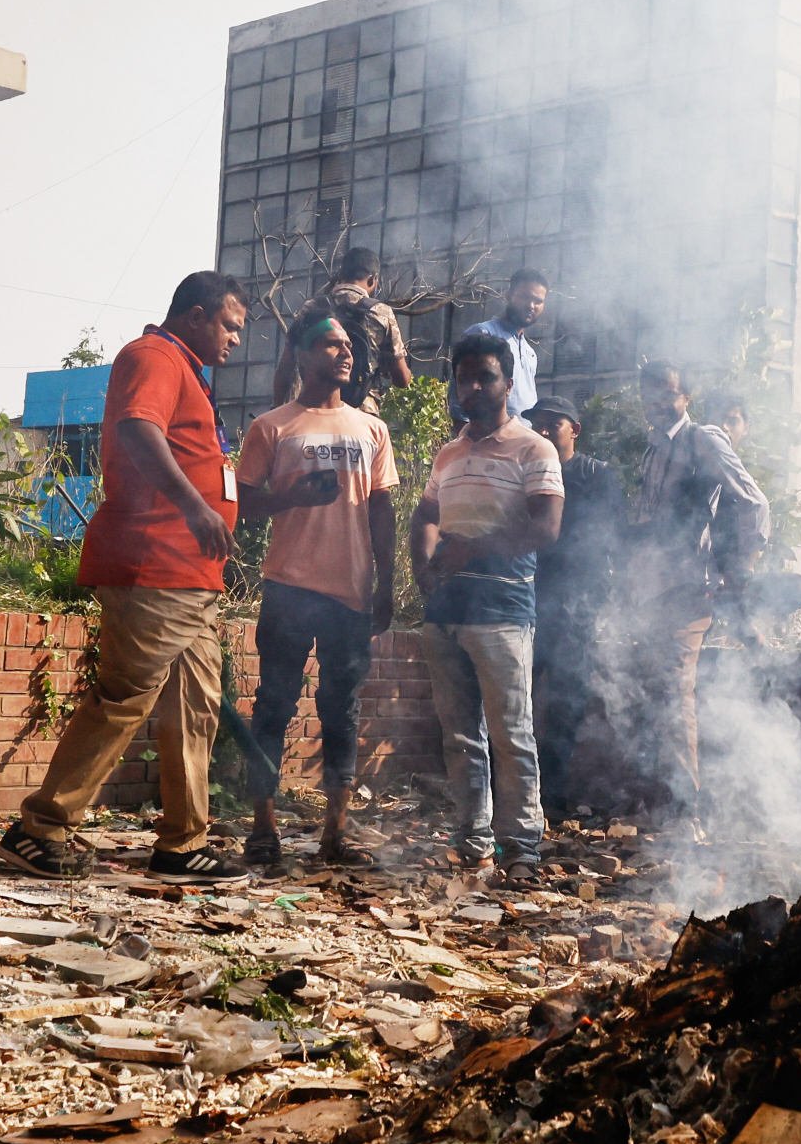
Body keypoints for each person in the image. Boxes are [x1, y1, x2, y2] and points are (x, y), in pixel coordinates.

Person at [2, 273, 253, 881]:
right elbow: (138, 431)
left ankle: (182, 844)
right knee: (125, 698)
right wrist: (195, 507)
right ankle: (39, 828)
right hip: (156, 562)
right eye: (229, 325)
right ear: (195, 315)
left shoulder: (189, 370)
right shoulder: (155, 355)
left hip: (191, 575)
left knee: (195, 705)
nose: (235, 340)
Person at [233, 308, 396, 871]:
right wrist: (293, 497)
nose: (344, 352)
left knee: (341, 712)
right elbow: (244, 505)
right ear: (300, 356)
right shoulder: (272, 426)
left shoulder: (371, 428)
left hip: (350, 593)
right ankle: (263, 829)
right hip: (288, 589)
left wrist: (387, 580)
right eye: (329, 344)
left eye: (347, 345)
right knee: (273, 707)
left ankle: (336, 832)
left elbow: (382, 508)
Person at [414, 332, 564, 875]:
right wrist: (423, 573)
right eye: (465, 377)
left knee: (511, 735)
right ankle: (473, 842)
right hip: (445, 614)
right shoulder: (449, 453)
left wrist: (470, 549)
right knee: (459, 737)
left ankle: (521, 848)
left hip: (502, 613)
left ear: (507, 383)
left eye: (487, 377)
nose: (474, 387)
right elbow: (425, 515)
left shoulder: (533, 448)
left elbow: (546, 528)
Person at [628, 361, 766, 816]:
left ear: (686, 396)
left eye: (668, 393)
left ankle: (686, 816)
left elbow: (753, 502)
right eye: (650, 393)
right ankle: (662, 808)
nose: (657, 402)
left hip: (688, 589)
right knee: (655, 696)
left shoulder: (702, 439)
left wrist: (739, 569)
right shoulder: (651, 450)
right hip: (650, 590)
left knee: (674, 696)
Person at [526, 402, 627, 822]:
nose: (545, 432)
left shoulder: (596, 475)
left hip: (576, 601)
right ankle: (512, 790)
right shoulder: (525, 470)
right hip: (528, 596)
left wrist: (602, 595)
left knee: (567, 700)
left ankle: (554, 792)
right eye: (538, 425)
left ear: (576, 430)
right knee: (516, 695)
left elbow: (614, 536)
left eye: (554, 424)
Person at [316, 247, 414, 398]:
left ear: (341, 276)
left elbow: (286, 366)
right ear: (372, 280)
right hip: (362, 409)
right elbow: (402, 379)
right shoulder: (381, 312)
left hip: (319, 407)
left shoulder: (313, 307)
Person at [466, 273, 553, 410]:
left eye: (538, 301)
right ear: (508, 295)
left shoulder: (530, 353)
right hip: (491, 431)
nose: (531, 305)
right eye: (525, 297)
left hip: (526, 430)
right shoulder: (484, 333)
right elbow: (465, 388)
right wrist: (463, 429)